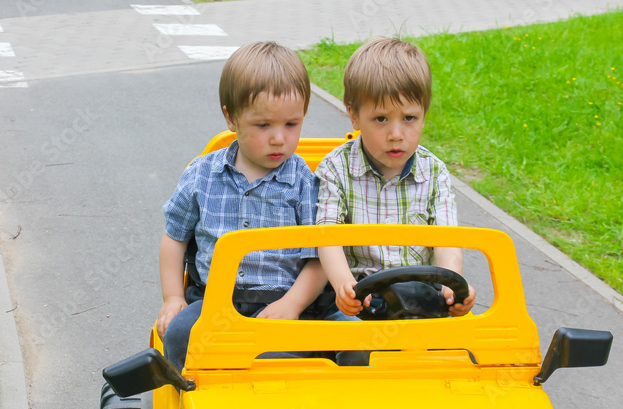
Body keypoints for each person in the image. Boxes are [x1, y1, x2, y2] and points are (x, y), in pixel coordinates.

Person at [156, 42, 327, 368]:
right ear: (231, 117)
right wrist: (173, 297)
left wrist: (292, 305)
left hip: (281, 301)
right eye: (263, 125)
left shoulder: (305, 180)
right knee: (179, 335)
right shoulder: (202, 174)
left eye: (291, 124)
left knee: (282, 357)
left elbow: (320, 257)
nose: (279, 138)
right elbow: (174, 236)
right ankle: (191, 404)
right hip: (213, 302)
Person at [316, 37, 476, 318]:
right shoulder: (336, 168)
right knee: (351, 341)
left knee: (466, 350)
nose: (396, 134)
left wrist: (453, 284)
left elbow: (447, 240)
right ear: (354, 115)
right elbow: (327, 237)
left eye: (409, 118)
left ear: (424, 114)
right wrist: (344, 287)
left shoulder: (434, 172)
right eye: (381, 119)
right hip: (361, 300)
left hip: (424, 300)